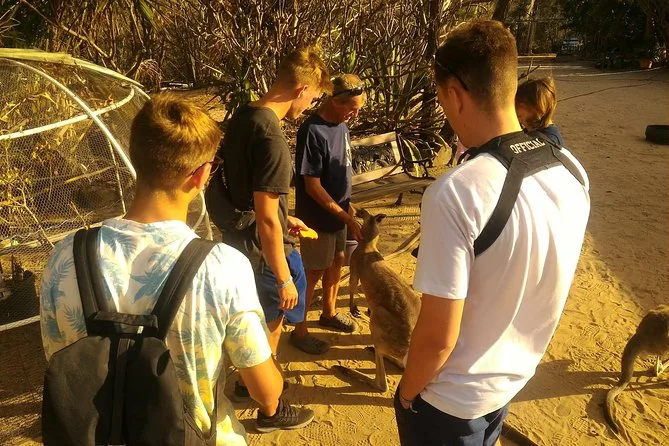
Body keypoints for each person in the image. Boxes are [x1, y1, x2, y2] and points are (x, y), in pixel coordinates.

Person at [40, 94, 314, 444]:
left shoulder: (65, 256)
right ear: (200, 175)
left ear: (136, 159)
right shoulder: (222, 268)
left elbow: (58, 357)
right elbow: (265, 392)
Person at [396, 20, 590, 446]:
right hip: (510, 382)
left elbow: (438, 338)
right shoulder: (572, 169)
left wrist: (406, 394)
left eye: (441, 99)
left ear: (454, 94)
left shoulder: (455, 192)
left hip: (449, 403)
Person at [205, 46, 332, 393]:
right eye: (312, 98)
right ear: (301, 89)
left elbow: (249, 190)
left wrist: (286, 217)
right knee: (270, 322)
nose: (309, 106)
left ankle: (254, 381)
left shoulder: (245, 115)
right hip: (263, 250)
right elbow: (266, 219)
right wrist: (283, 277)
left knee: (252, 314)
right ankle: (259, 389)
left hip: (239, 238)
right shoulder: (272, 137)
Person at [292, 74, 366, 353]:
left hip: (339, 213)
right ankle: (299, 330)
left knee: (337, 261)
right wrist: (345, 216)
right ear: (336, 101)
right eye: (352, 108)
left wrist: (348, 207)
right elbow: (312, 186)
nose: (355, 115)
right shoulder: (312, 130)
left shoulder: (342, 125)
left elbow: (340, 171)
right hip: (317, 218)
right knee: (313, 271)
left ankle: (329, 312)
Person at [515, 77, 565, 146]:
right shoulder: (530, 131)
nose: (514, 108)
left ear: (537, 108)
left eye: (519, 103)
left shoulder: (549, 141)